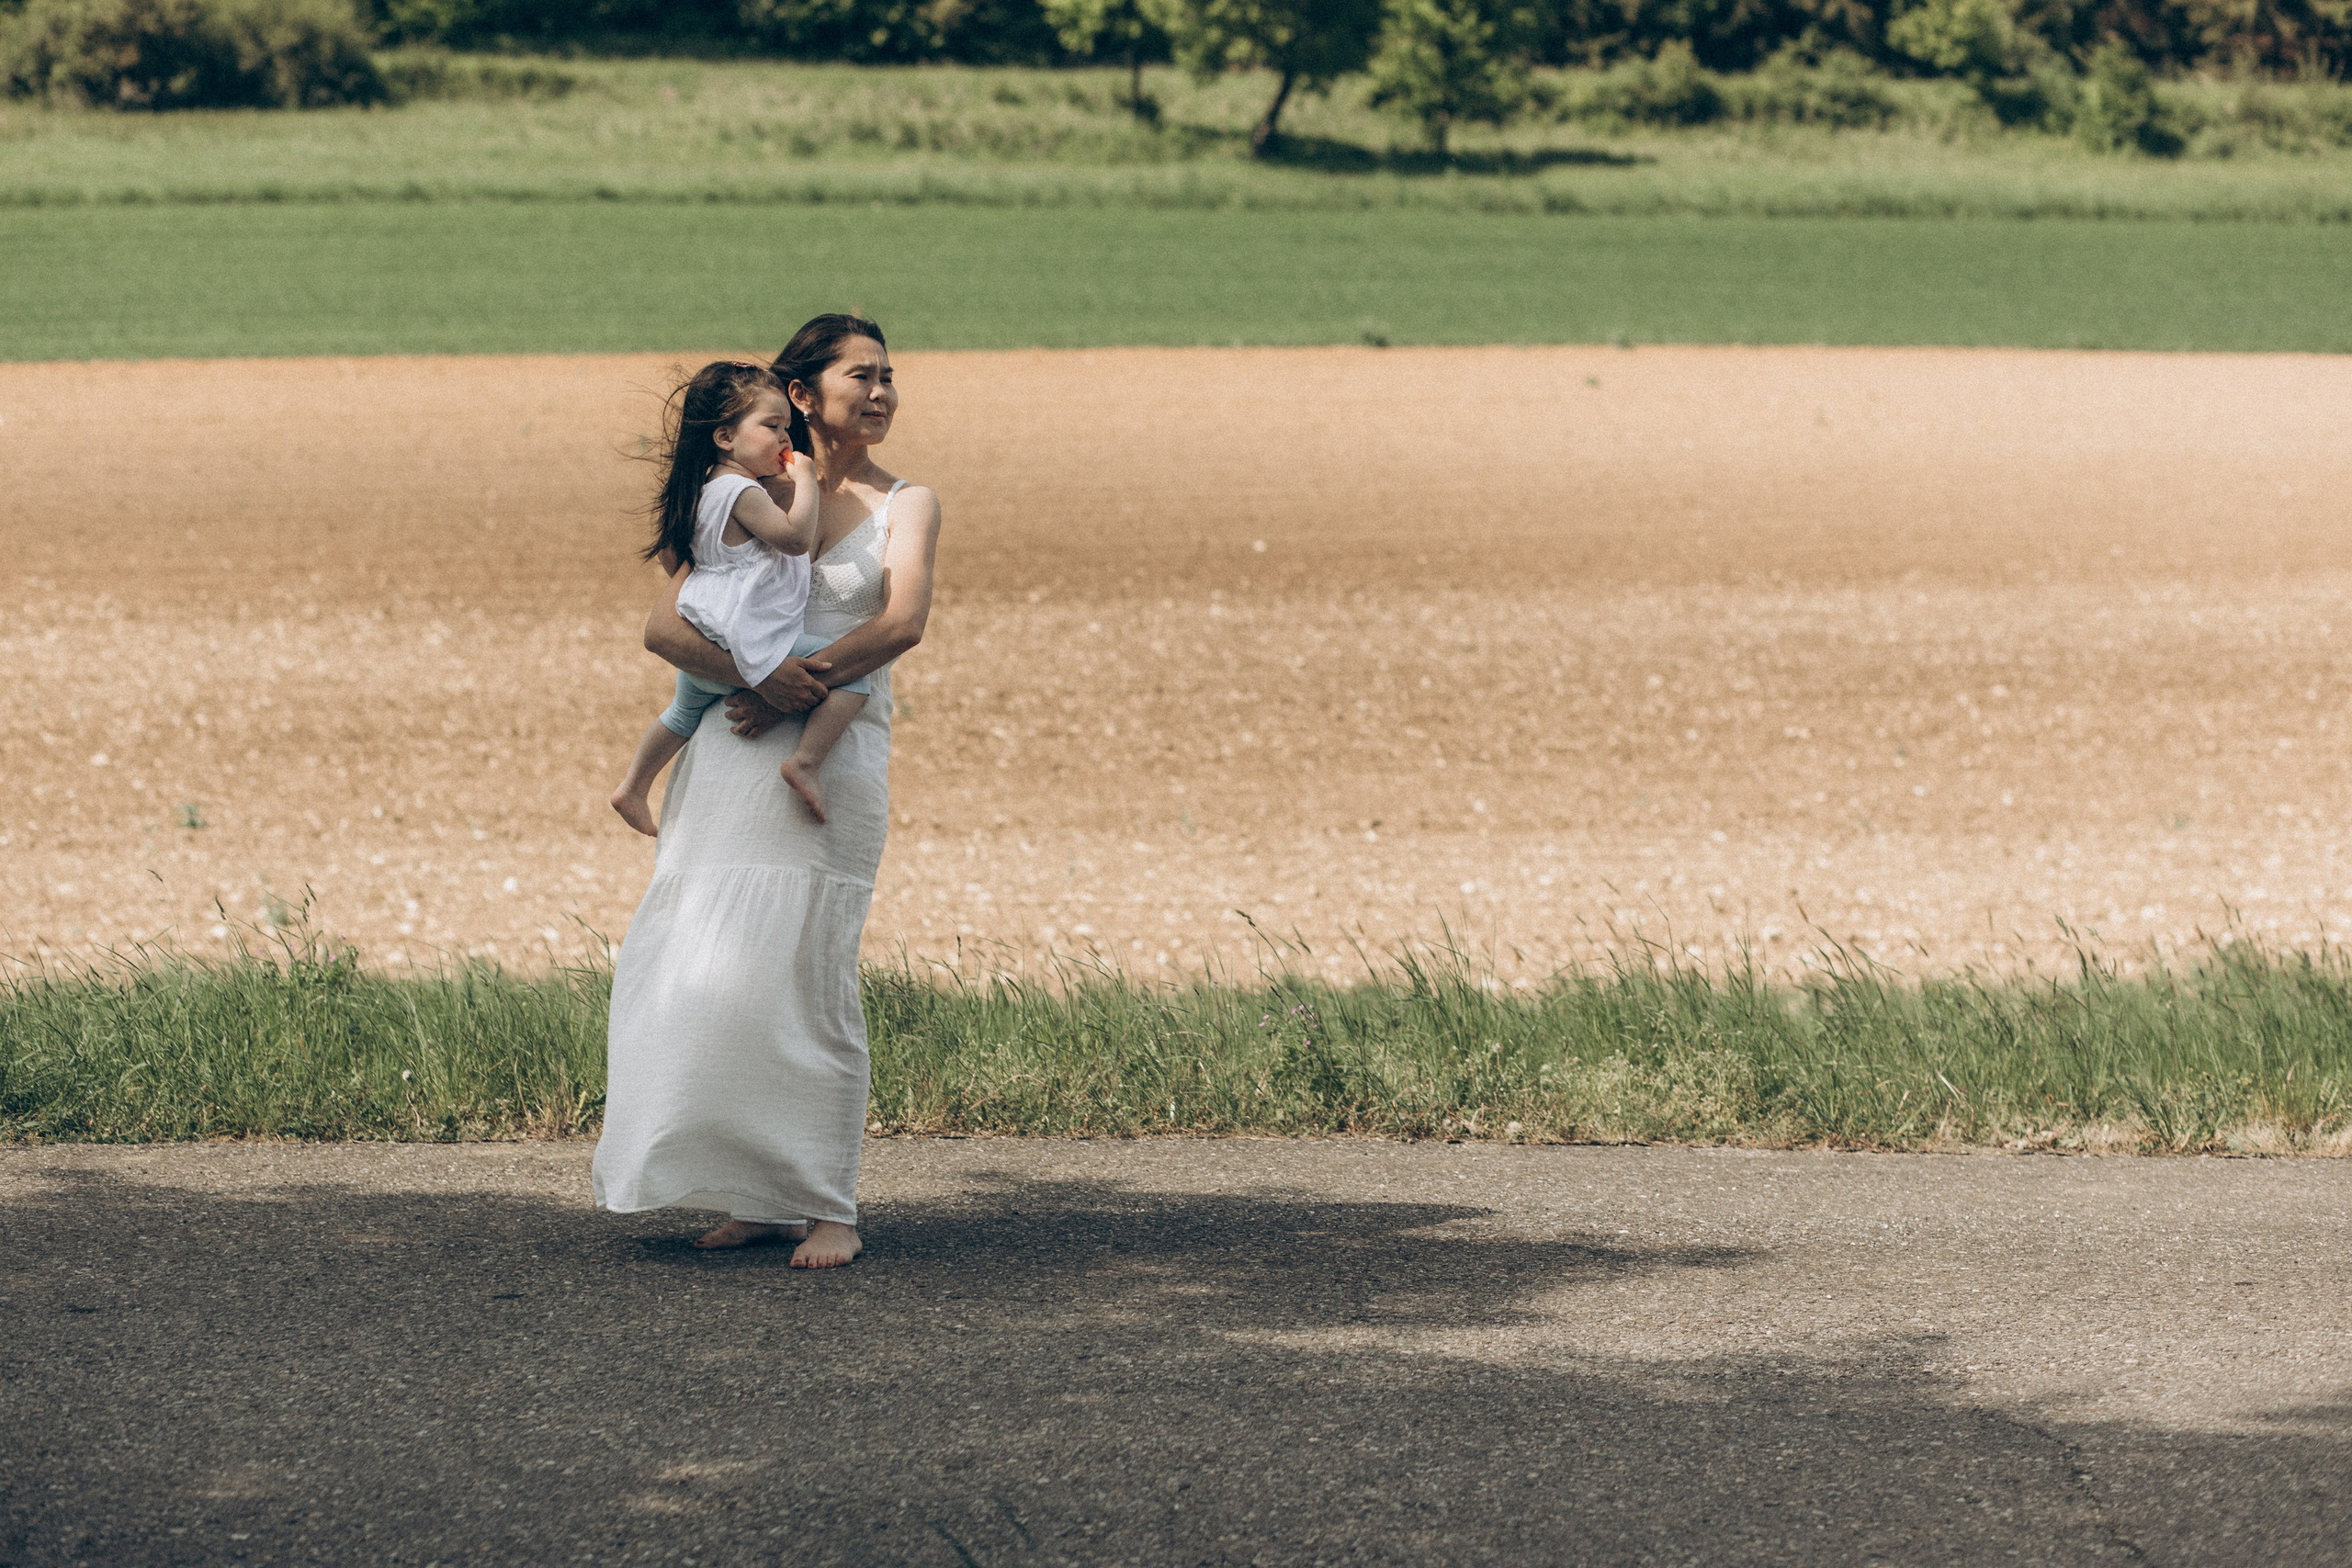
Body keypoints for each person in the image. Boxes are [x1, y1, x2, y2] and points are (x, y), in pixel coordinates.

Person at [593, 314, 941, 1269]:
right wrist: (756, 681)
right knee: (720, 970)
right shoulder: (740, 495)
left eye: (889, 377)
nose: (880, 393)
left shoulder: (907, 504)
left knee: (808, 973)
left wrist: (805, 678)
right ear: (803, 394)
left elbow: (903, 621)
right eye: (860, 376)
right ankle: (757, 1194)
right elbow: (666, 631)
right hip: (735, 754)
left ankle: (828, 1205)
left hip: (828, 758)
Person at [608, 360, 871, 834]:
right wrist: (808, 483)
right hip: (753, 641)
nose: (785, 440)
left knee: (680, 713)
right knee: (851, 680)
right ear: (725, 437)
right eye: (771, 427)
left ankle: (633, 786)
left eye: (787, 429)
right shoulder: (741, 492)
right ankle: (806, 762)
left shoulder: (702, 491)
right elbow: (794, 539)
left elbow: (680, 563)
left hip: (710, 639)